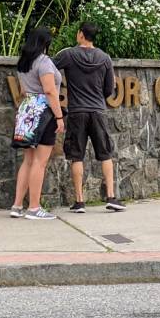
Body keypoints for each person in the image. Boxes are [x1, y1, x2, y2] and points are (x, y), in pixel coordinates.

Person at [54, 22, 125, 213]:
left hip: (77, 111)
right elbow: (109, 89)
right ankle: (111, 196)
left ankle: (79, 201)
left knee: (76, 156)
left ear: (80, 34)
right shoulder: (104, 58)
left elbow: (50, 69)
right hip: (98, 110)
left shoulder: (68, 54)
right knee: (105, 153)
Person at [9, 27, 66, 220]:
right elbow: (50, 91)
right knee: (40, 162)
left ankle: (17, 205)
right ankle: (34, 207)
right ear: (45, 43)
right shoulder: (44, 62)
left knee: (28, 160)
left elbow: (25, 90)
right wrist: (59, 117)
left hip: (27, 110)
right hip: (44, 113)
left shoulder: (24, 62)